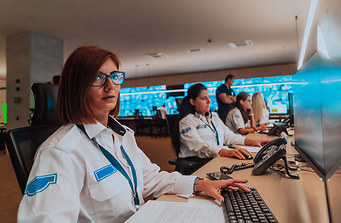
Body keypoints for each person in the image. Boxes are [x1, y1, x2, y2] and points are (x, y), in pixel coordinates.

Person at [17, 46, 251, 223]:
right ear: (76, 86)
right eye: (98, 78)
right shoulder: (59, 153)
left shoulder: (121, 135)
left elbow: (150, 178)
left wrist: (199, 184)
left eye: (115, 76)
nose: (110, 86)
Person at [178, 83, 268, 164]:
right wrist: (227, 152)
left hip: (217, 157)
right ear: (192, 102)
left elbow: (229, 137)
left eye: (208, 97)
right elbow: (199, 146)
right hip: (198, 161)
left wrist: (254, 142)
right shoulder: (186, 122)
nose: (209, 101)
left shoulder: (214, 116)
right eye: (204, 98)